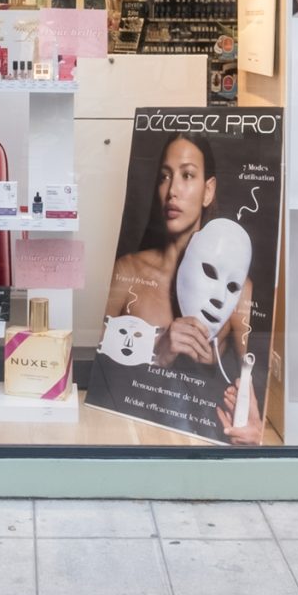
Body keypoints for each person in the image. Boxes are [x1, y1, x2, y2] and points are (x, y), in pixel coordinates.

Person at [102, 132, 260, 445]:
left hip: (205, 445)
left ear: (208, 190)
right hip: (132, 437)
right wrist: (155, 352)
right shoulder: (129, 270)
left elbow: (254, 381)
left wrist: (252, 424)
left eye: (187, 175)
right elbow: (100, 376)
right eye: (164, 177)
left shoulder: (239, 288)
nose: (172, 191)